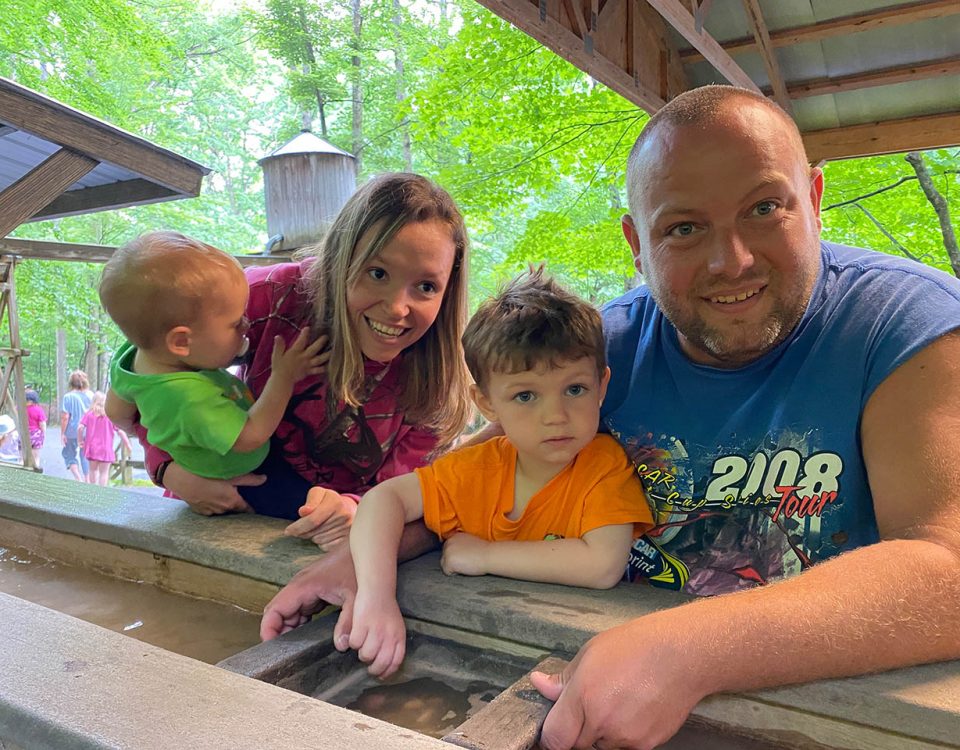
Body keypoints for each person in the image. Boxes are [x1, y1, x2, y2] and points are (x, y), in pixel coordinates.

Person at [261, 85, 960, 750]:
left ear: (812, 198)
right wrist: (370, 560)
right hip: (605, 693)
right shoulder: (597, 352)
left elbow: (948, 567)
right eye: (683, 228)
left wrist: (691, 649)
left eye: (764, 209)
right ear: (635, 243)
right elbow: (478, 476)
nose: (732, 260)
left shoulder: (904, 328)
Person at [133, 174, 473, 552]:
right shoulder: (269, 296)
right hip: (204, 527)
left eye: (426, 287)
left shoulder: (435, 378)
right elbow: (151, 360)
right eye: (377, 273)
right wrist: (168, 469)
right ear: (342, 260)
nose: (396, 309)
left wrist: (352, 506)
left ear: (448, 290)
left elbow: (405, 489)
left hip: (325, 552)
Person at [340, 269, 653, 678]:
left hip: (581, 662)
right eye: (525, 396)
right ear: (486, 404)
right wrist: (376, 598)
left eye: (574, 389)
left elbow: (602, 565)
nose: (555, 416)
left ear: (602, 385)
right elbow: (385, 499)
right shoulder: (476, 469)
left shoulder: (603, 465)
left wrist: (485, 555)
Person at [100, 231, 327, 502]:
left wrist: (162, 431)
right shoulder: (189, 399)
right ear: (181, 342)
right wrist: (284, 377)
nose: (247, 324)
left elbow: (115, 411)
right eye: (235, 323)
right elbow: (250, 436)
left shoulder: (137, 353)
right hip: (234, 473)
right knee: (306, 503)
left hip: (210, 455)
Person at [78, 391, 132, 486]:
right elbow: (120, 431)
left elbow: (80, 427)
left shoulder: (89, 414)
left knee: (92, 470)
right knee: (104, 473)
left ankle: (93, 488)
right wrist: (127, 444)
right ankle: (102, 490)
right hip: (106, 449)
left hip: (92, 448)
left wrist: (80, 440)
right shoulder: (110, 417)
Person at [60, 370, 92, 481]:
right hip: (88, 430)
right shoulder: (91, 395)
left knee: (69, 454)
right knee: (85, 455)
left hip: (72, 431)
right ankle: (87, 479)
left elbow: (65, 417)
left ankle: (78, 478)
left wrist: (62, 434)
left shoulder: (68, 397)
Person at [25, 390, 46, 470]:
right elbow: (42, 424)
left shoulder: (19, 409)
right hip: (35, 434)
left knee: (22, 457)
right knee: (36, 457)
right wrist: (43, 433)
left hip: (23, 434)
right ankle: (35, 472)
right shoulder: (38, 410)